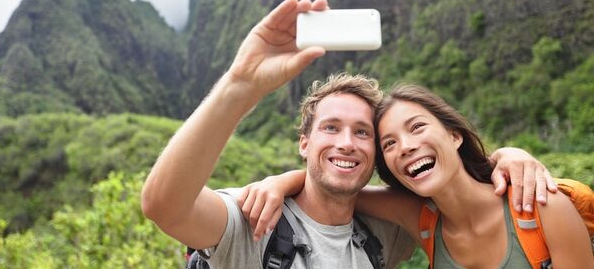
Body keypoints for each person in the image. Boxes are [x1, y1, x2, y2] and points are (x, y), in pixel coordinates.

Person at [141, 0, 554, 268]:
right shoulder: (255, 218)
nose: (345, 142)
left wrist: (506, 156)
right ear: (304, 142)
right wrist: (239, 85)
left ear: (377, 154)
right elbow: (165, 206)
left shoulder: (390, 232)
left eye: (363, 133)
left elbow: (456, 190)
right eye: (331, 128)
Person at [242, 83, 593, 268]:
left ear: (454, 136)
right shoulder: (421, 219)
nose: (406, 147)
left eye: (417, 128)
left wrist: (509, 154)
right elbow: (333, 186)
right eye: (390, 143)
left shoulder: (541, 208)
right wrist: (280, 182)